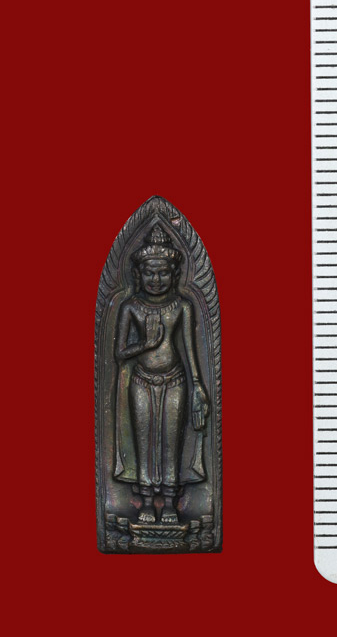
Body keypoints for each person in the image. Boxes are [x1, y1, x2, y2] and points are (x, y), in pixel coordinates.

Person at [113, 224, 209, 524]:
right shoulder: (131, 307)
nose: (156, 280)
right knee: (144, 442)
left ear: (175, 274)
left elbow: (191, 351)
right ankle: (144, 503)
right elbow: (119, 353)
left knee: (171, 441)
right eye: (150, 273)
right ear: (138, 275)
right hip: (141, 381)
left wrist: (198, 386)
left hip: (176, 380)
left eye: (163, 273)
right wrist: (147, 344)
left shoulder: (182, 306)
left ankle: (169, 503)